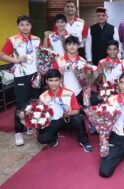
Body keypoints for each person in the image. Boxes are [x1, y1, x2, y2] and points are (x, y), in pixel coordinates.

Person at [0, 15, 41, 146]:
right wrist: (15, 60)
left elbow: (40, 55)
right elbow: (2, 54)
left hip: (35, 74)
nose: (25, 27)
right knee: (21, 103)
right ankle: (18, 131)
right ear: (18, 26)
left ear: (31, 26)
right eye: (22, 24)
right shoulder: (12, 40)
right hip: (21, 75)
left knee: (33, 102)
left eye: (27, 24)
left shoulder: (36, 39)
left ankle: (30, 126)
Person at [38, 69, 93, 152]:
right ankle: (54, 136)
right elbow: (41, 115)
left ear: (61, 80)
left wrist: (70, 112)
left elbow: (77, 110)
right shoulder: (43, 97)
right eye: (51, 80)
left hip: (67, 118)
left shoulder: (69, 93)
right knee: (42, 139)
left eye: (56, 80)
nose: (53, 83)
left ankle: (84, 141)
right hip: (53, 121)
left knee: (78, 118)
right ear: (46, 81)